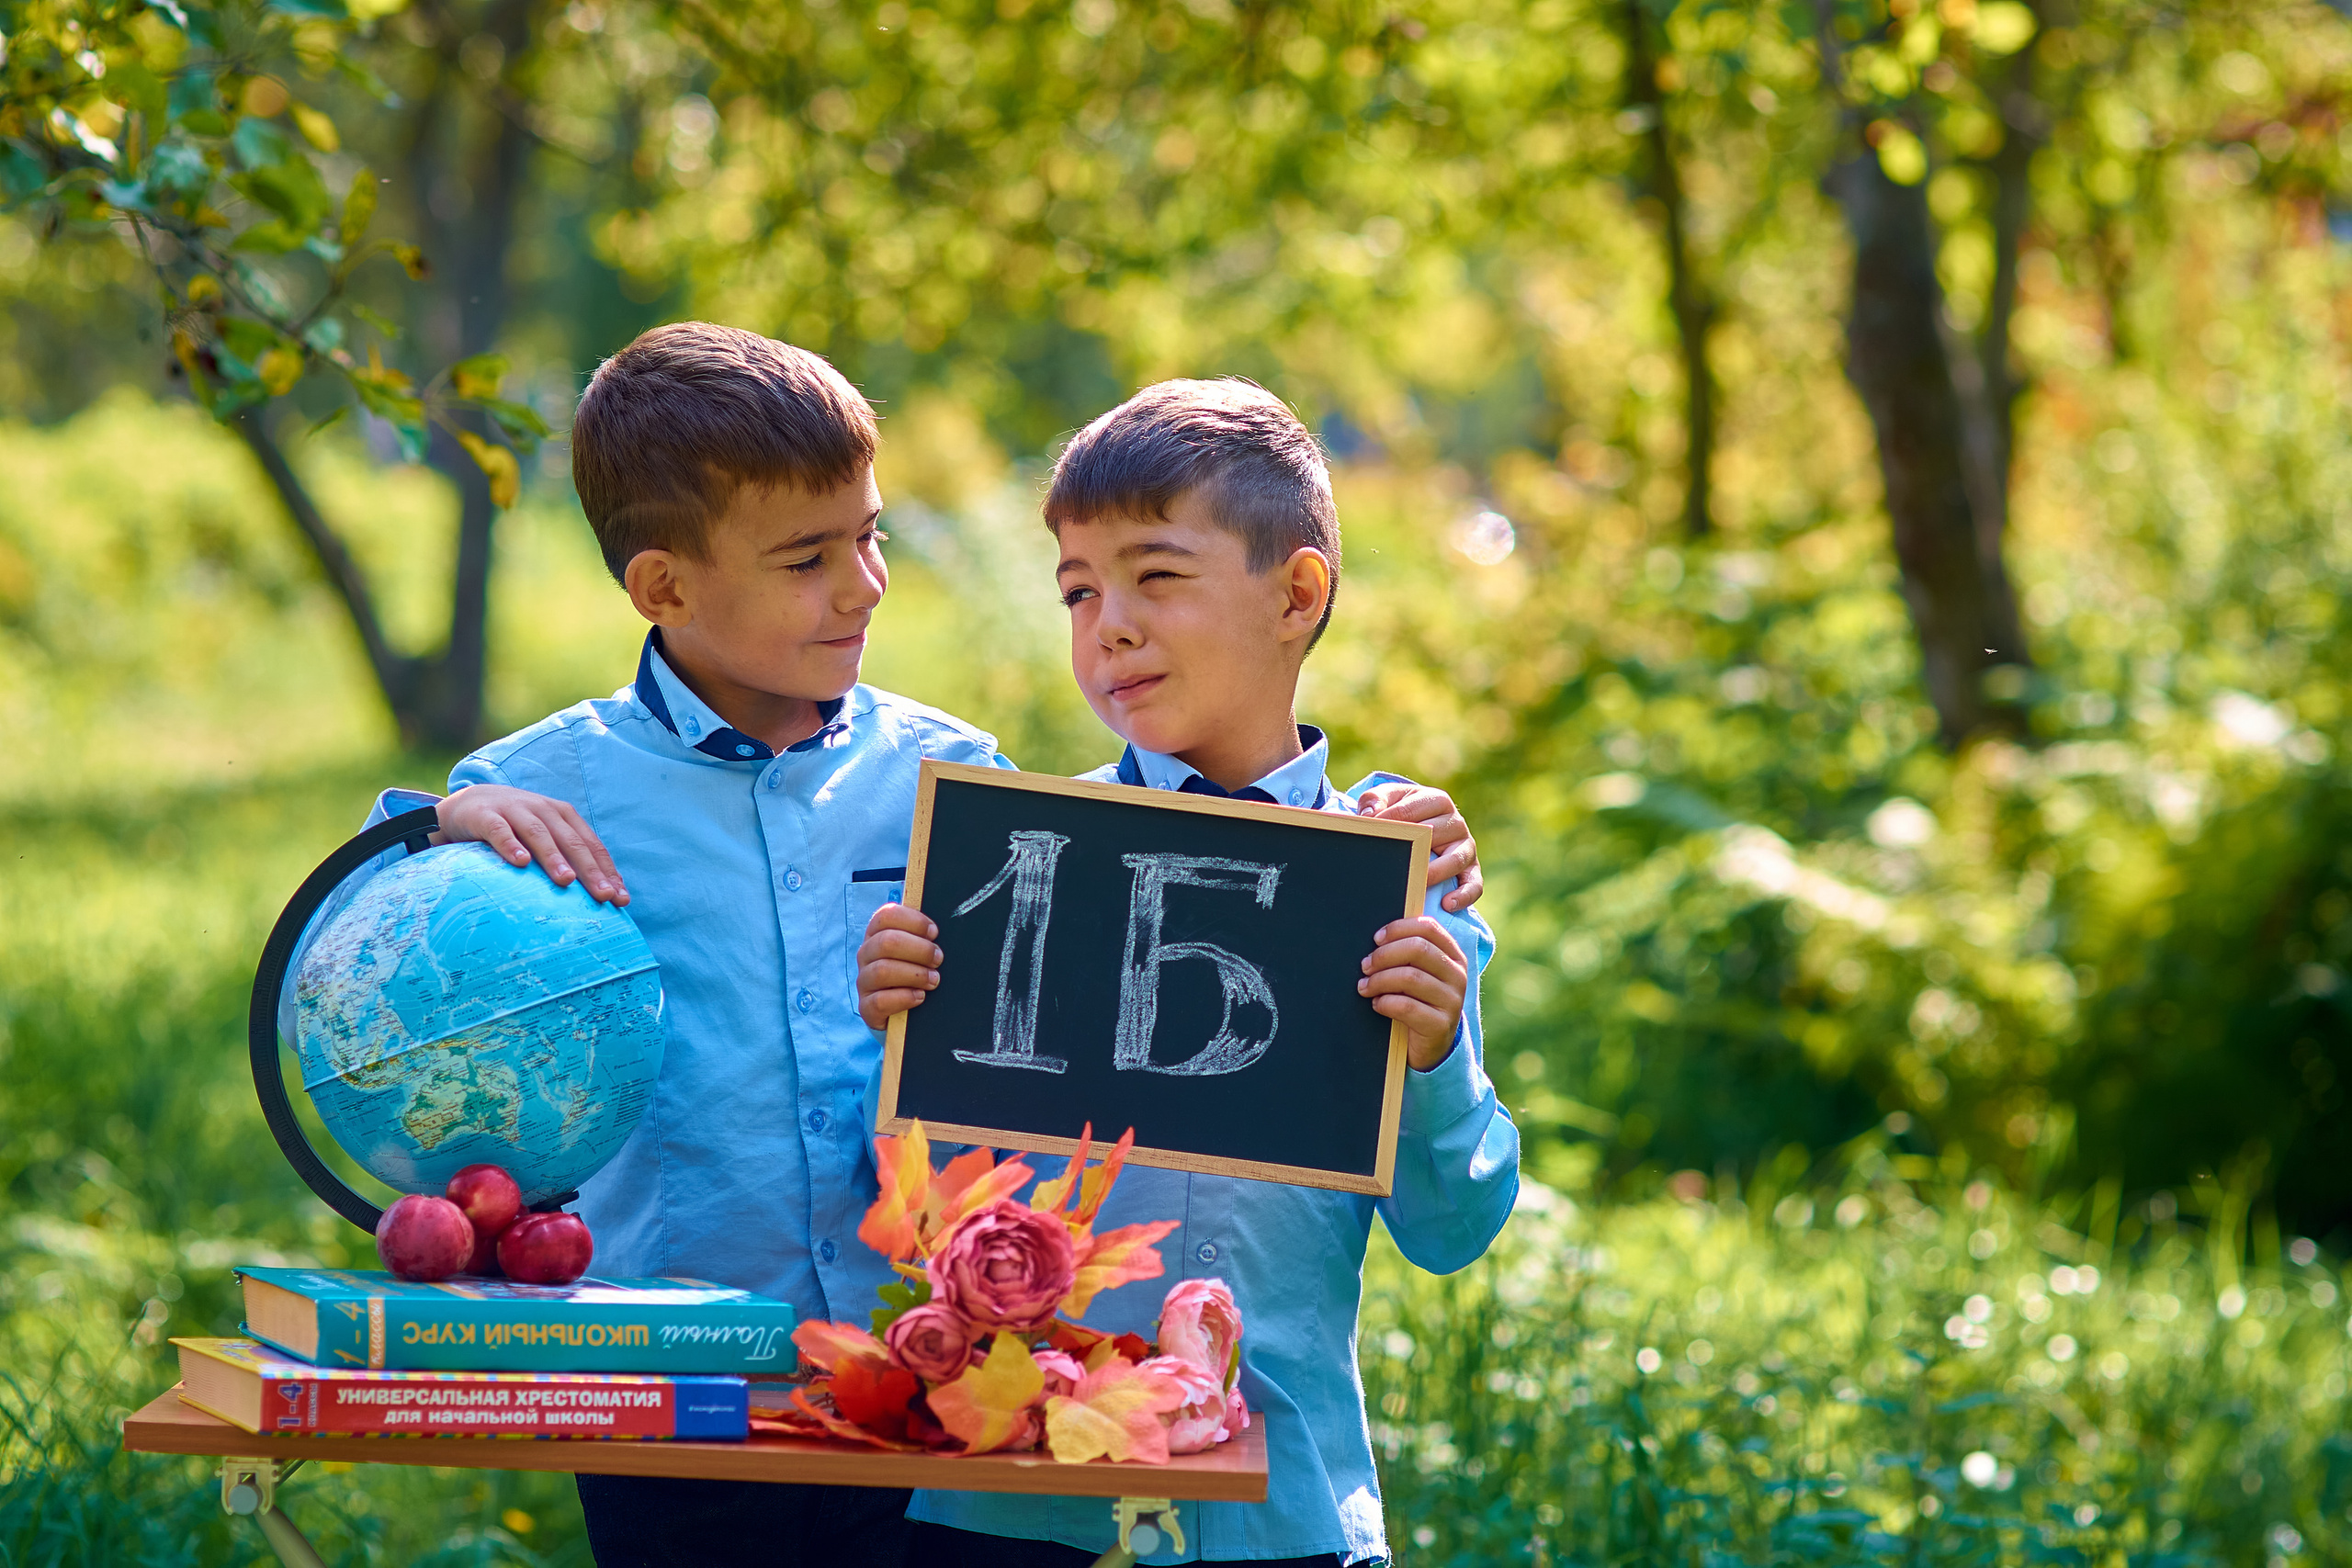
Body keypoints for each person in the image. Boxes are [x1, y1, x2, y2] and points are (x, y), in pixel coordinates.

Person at [344, 326, 1483, 1567]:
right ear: (667, 588)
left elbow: (1432, 1202)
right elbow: (376, 950)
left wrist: (1406, 947)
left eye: (872, 537)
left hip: (966, 1426)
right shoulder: (554, 789)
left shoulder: (965, 785)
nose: (865, 585)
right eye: (806, 557)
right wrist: (433, 823)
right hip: (685, 1407)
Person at [856, 378, 1521, 1567]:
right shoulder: (1009, 873)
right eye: (1078, 590)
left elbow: (1452, 1225)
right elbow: (922, 1231)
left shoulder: (1404, 890)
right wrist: (896, 1029)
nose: (1108, 623)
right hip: (1017, 1508)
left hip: (1287, 1514)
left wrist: (1432, 1055)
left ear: (1296, 594)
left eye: (1157, 576)